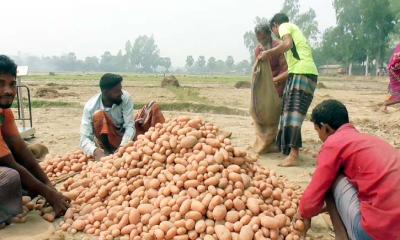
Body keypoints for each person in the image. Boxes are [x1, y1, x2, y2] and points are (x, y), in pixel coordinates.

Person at [295, 99, 400, 239]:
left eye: (317, 130)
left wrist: (302, 212)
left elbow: (313, 196)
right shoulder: (367, 140)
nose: (319, 136)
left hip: (377, 233)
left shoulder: (334, 143)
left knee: (331, 179)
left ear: (325, 128)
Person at [0, 55, 69, 227]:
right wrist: (49, 194)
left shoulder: (4, 113)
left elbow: (21, 150)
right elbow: (10, 164)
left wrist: (49, 185)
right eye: (0, 83)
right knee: (11, 176)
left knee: (29, 156)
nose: (8, 90)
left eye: (11, 84)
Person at [258, 13, 318, 167]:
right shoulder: (293, 31)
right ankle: (285, 148)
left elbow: (287, 44)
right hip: (298, 73)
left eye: (274, 31)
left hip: (302, 73)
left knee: (293, 113)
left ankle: (294, 154)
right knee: (286, 110)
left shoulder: (285, 26)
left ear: (275, 26)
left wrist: (268, 53)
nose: (276, 34)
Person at [80, 73, 135, 161]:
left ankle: (117, 151)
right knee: (98, 116)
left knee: (152, 109)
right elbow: (84, 138)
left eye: (121, 89)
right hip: (107, 140)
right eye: (117, 91)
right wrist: (95, 151)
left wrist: (123, 146)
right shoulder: (90, 107)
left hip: (125, 137)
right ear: (106, 92)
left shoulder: (125, 97)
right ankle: (108, 152)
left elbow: (130, 126)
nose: (121, 93)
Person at [254, 22, 288, 97]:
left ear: (269, 34)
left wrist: (274, 81)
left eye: (263, 38)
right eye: (259, 39)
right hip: (266, 89)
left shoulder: (279, 46)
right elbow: (258, 71)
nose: (262, 42)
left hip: (281, 88)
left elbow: (285, 70)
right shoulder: (258, 50)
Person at [384, 43, 400, 108]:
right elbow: (392, 66)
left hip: (395, 69)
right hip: (395, 70)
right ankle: (386, 104)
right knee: (398, 95)